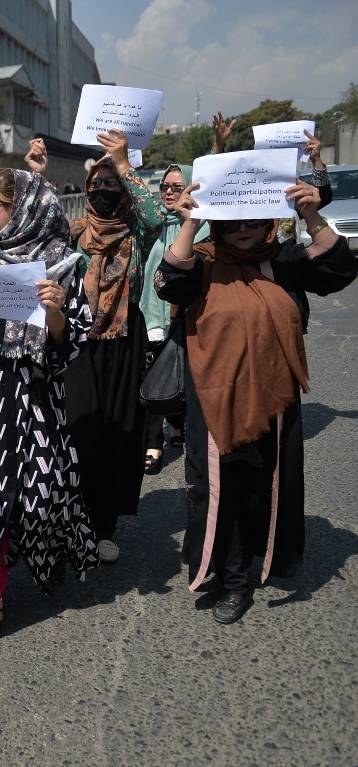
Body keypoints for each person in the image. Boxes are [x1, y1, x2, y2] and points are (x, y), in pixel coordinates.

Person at [156, 180, 356, 623]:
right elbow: (169, 284)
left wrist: (310, 214)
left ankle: (259, 559)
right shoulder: (205, 259)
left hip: (273, 401)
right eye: (232, 220)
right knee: (217, 491)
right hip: (213, 401)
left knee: (263, 486)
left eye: (252, 218)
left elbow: (340, 270)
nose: (244, 228)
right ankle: (231, 580)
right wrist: (191, 222)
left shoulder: (281, 259)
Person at [0, 168, 98, 649]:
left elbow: (70, 346)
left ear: (21, 209)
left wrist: (53, 313)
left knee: (39, 491)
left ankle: (47, 552)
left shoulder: (61, 263)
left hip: (35, 394)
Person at [62, 128, 163, 563]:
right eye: (97, 184)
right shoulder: (73, 234)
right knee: (81, 429)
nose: (104, 191)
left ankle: (105, 526)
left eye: (112, 184)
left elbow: (157, 216)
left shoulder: (136, 235)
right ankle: (76, 517)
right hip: (79, 343)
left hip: (124, 341)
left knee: (118, 435)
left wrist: (122, 161)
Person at [139, 165, 207, 473]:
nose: (168, 191)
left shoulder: (203, 226)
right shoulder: (156, 224)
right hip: (153, 317)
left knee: (183, 376)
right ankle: (153, 442)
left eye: (177, 187)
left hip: (189, 318)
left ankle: (181, 429)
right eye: (165, 186)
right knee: (154, 377)